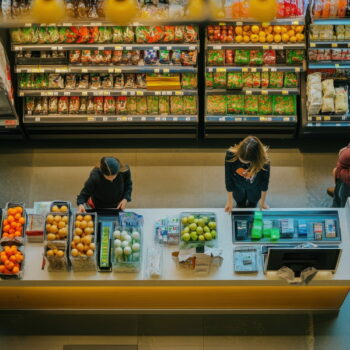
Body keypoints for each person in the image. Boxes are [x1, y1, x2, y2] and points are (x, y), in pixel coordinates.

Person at [225, 136, 270, 212]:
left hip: (255, 186)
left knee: (253, 204)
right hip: (238, 185)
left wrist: (262, 201)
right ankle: (240, 203)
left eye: (247, 161)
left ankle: (252, 204)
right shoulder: (230, 155)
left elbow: (264, 182)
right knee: (240, 202)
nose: (243, 162)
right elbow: (228, 177)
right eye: (241, 159)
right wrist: (229, 201)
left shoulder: (264, 160)